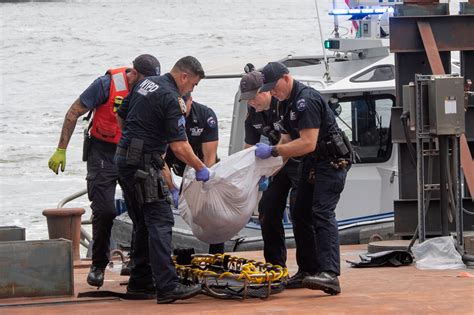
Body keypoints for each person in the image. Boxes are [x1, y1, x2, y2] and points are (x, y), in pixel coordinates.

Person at [47, 54, 161, 288]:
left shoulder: (153, 89)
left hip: (132, 152)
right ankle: (98, 264)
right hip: (103, 151)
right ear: (134, 73)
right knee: (105, 209)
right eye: (144, 80)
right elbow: (74, 111)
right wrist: (61, 149)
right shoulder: (106, 85)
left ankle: (136, 262)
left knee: (140, 208)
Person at [115, 56, 208, 304]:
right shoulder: (171, 98)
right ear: (184, 77)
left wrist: (136, 139)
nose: (192, 91)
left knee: (143, 222)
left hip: (124, 160)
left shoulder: (146, 84)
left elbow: (121, 114)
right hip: (143, 166)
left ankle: (140, 283)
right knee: (160, 220)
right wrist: (201, 167)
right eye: (193, 85)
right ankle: (167, 287)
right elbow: (179, 146)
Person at [254, 62, 352, 295]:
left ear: (286, 78)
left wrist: (274, 152)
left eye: (275, 86)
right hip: (312, 161)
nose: (274, 92)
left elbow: (307, 142)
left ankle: (330, 273)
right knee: (299, 211)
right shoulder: (284, 103)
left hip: (331, 161)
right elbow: (287, 139)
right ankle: (308, 269)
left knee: (322, 211)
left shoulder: (305, 100)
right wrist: (269, 169)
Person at [239, 71, 303, 281]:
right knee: (267, 208)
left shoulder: (281, 105)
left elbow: (289, 143)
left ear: (265, 91)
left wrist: (271, 167)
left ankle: (308, 268)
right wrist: (249, 176)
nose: (250, 102)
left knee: (300, 210)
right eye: (246, 99)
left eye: (252, 97)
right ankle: (276, 267)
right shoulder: (253, 114)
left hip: (297, 159)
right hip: (276, 163)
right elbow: (248, 148)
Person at [164, 93, 224, 255]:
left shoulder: (206, 115)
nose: (182, 110)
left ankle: (216, 256)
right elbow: (160, 160)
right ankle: (164, 255)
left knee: (213, 211)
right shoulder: (166, 114)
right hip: (173, 159)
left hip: (201, 164)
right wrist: (172, 189)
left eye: (184, 105)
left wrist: (205, 184)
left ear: (191, 100)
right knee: (161, 206)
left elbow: (210, 156)